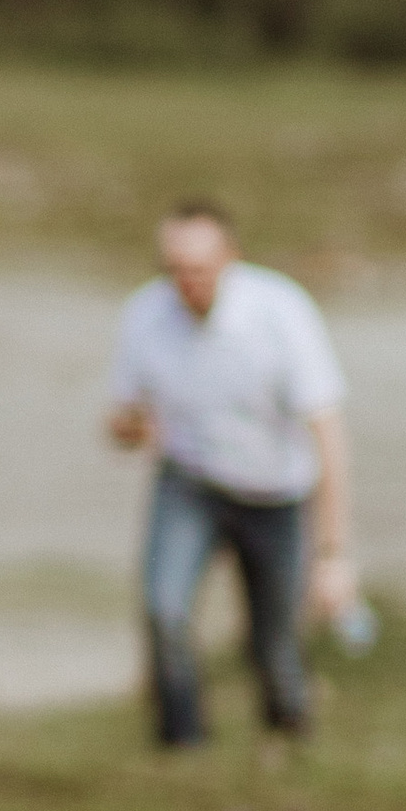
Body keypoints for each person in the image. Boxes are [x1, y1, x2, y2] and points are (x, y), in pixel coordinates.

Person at [105, 200, 357, 748]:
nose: (186, 282)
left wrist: (333, 555)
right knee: (163, 611)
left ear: (231, 260)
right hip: (190, 482)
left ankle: (287, 736)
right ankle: (182, 746)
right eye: (174, 269)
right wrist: (128, 430)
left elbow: (329, 437)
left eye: (199, 269)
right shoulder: (144, 315)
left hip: (277, 491)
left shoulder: (282, 312)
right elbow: (121, 420)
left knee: (272, 640)